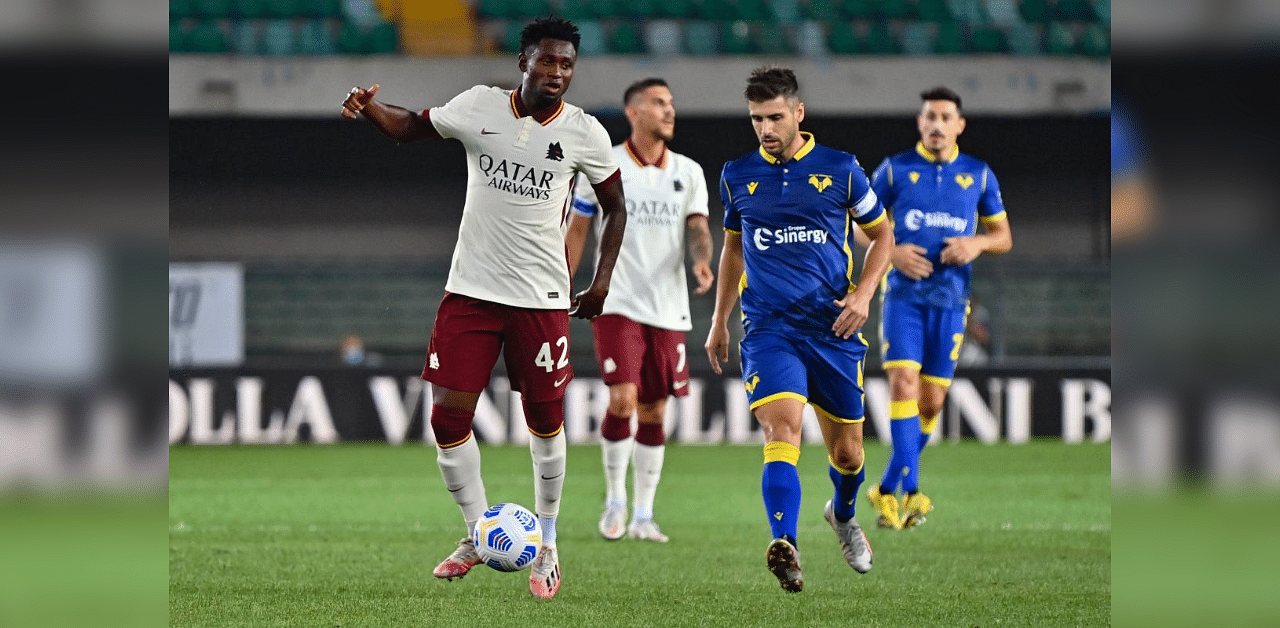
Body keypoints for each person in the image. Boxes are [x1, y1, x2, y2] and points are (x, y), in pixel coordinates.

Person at [339, 16, 626, 600]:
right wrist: (371, 109)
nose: (557, 73)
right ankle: (477, 533)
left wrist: (599, 283)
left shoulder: (585, 133)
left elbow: (616, 208)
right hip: (471, 291)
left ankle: (546, 544)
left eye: (566, 65)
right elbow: (410, 128)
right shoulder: (479, 107)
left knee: (545, 422)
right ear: (523, 62)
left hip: (542, 300)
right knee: (447, 419)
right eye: (546, 61)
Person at [705, 67, 894, 592]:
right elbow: (734, 249)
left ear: (798, 113)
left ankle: (843, 513)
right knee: (781, 429)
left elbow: (883, 237)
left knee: (848, 455)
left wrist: (862, 296)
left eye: (774, 117)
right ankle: (784, 543)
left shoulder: (842, 169)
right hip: (769, 328)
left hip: (832, 328)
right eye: (756, 119)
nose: (765, 128)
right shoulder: (736, 174)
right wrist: (720, 320)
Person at [564, 78, 715, 544]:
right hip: (616, 300)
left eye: (671, 103)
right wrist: (561, 284)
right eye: (659, 103)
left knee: (654, 410)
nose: (669, 110)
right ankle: (615, 499)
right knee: (622, 399)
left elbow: (698, 228)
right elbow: (579, 228)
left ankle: (644, 514)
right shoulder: (605, 163)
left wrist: (702, 259)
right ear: (633, 112)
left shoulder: (688, 171)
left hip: (668, 308)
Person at [861, 86, 1013, 530]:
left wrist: (976, 243)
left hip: (951, 301)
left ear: (959, 125)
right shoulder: (894, 170)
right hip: (904, 298)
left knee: (931, 403)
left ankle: (885, 488)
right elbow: (858, 228)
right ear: (919, 122)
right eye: (929, 116)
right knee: (904, 384)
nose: (936, 124)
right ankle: (912, 492)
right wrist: (893, 253)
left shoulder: (979, 174)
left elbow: (1004, 236)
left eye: (946, 117)